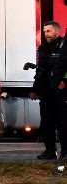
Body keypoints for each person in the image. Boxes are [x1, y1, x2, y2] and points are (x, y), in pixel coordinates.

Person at [23, 21, 67, 159]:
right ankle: (50, 151)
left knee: (63, 122)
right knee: (46, 122)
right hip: (46, 89)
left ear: (57, 32)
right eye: (44, 31)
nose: (46, 34)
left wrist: (63, 82)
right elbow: (40, 70)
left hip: (60, 91)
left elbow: (64, 67)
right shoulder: (43, 48)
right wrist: (34, 89)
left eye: (49, 31)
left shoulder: (64, 46)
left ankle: (65, 152)